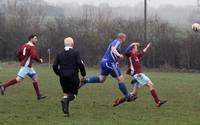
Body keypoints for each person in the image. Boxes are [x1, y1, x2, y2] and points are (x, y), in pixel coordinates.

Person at [79, 33, 133, 101]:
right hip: (109, 63)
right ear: (122, 38)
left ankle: (86, 80)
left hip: (104, 62)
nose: (125, 39)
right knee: (120, 79)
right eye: (125, 38)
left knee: (102, 79)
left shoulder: (114, 42)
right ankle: (127, 96)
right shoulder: (117, 42)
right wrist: (119, 55)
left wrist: (117, 56)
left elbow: (112, 51)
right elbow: (113, 49)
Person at [113, 42, 167, 107]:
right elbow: (126, 51)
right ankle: (158, 101)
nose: (137, 49)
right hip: (138, 74)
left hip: (137, 75)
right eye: (136, 48)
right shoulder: (129, 54)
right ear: (132, 49)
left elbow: (142, 53)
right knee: (150, 84)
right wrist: (133, 44)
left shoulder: (136, 56)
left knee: (134, 94)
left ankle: (119, 101)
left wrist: (147, 47)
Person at [0, 34, 47, 100]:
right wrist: (40, 61)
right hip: (26, 66)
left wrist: (22, 60)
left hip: (28, 66)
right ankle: (3, 86)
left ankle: (39, 95)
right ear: (31, 39)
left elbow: (18, 54)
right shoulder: (32, 46)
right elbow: (34, 56)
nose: (36, 40)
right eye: (35, 38)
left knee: (35, 78)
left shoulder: (24, 45)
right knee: (18, 79)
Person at [53, 37, 86, 117]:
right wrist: (83, 74)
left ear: (64, 44)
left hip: (62, 77)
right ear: (73, 44)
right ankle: (65, 100)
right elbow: (80, 63)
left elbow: (54, 65)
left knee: (66, 93)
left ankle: (66, 113)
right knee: (73, 95)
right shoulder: (75, 52)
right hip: (73, 76)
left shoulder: (59, 53)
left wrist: (59, 73)